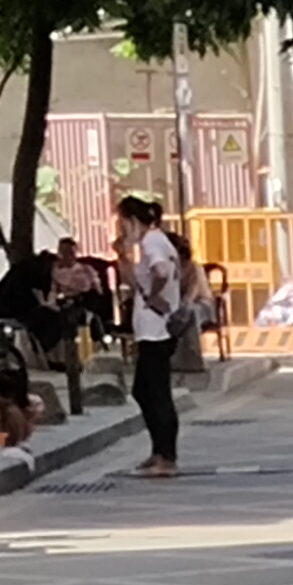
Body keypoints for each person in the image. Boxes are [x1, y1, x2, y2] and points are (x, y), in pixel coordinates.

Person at [119, 194, 188, 475]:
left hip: (156, 330)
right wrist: (122, 255)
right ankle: (158, 449)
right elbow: (134, 282)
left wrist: (154, 296)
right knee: (142, 391)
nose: (123, 229)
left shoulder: (152, 242)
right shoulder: (155, 241)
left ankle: (167, 456)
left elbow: (160, 272)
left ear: (133, 221)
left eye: (123, 223)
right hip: (149, 330)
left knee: (158, 393)